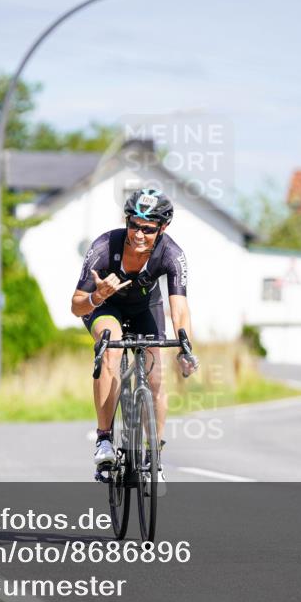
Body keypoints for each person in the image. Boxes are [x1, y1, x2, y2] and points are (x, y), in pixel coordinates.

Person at [70, 188, 199, 489]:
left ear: (162, 228)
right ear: (126, 221)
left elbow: (179, 309)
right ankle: (104, 440)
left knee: (155, 377)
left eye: (148, 228)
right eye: (134, 225)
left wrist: (185, 348)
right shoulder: (104, 246)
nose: (139, 234)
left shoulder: (172, 254)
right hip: (105, 306)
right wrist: (96, 295)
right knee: (111, 347)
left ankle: (153, 456)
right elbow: (76, 305)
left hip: (146, 308)